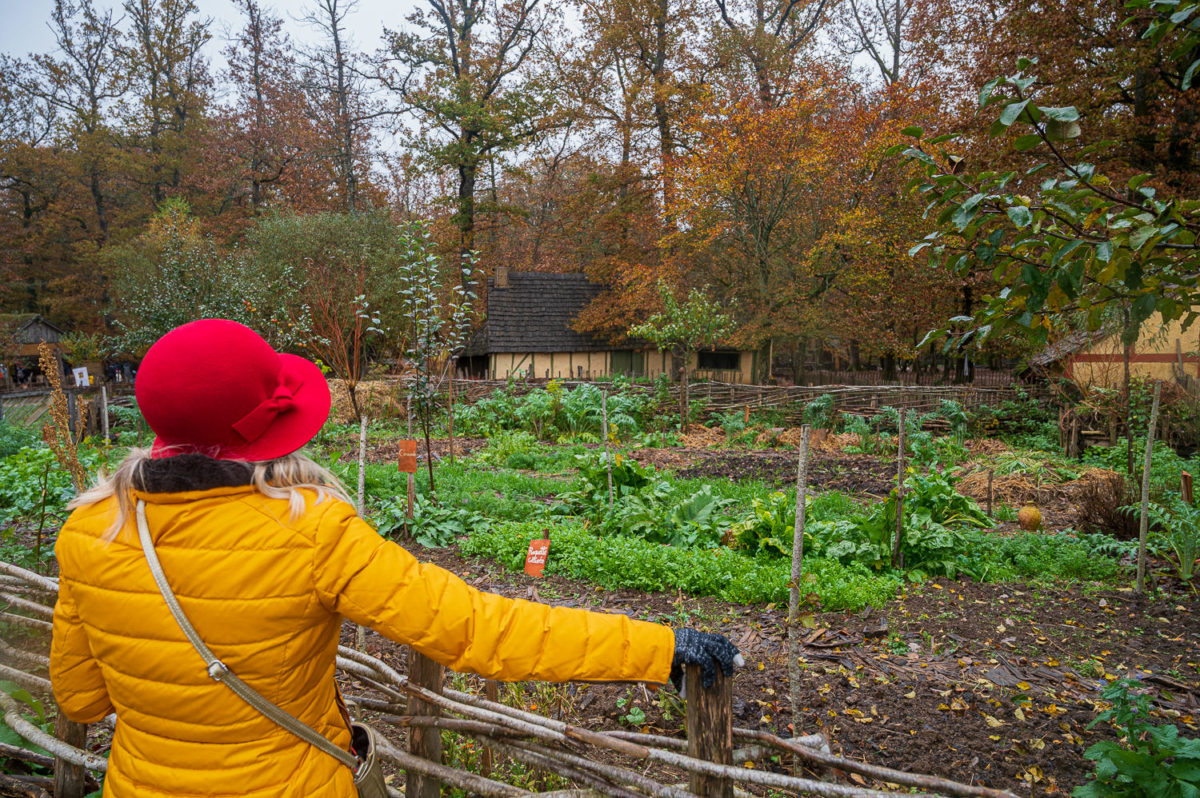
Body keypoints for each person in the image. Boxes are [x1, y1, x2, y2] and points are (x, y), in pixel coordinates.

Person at [50, 319, 741, 798]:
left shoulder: (91, 530)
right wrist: (659, 647)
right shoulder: (312, 531)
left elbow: (81, 697)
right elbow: (477, 628)